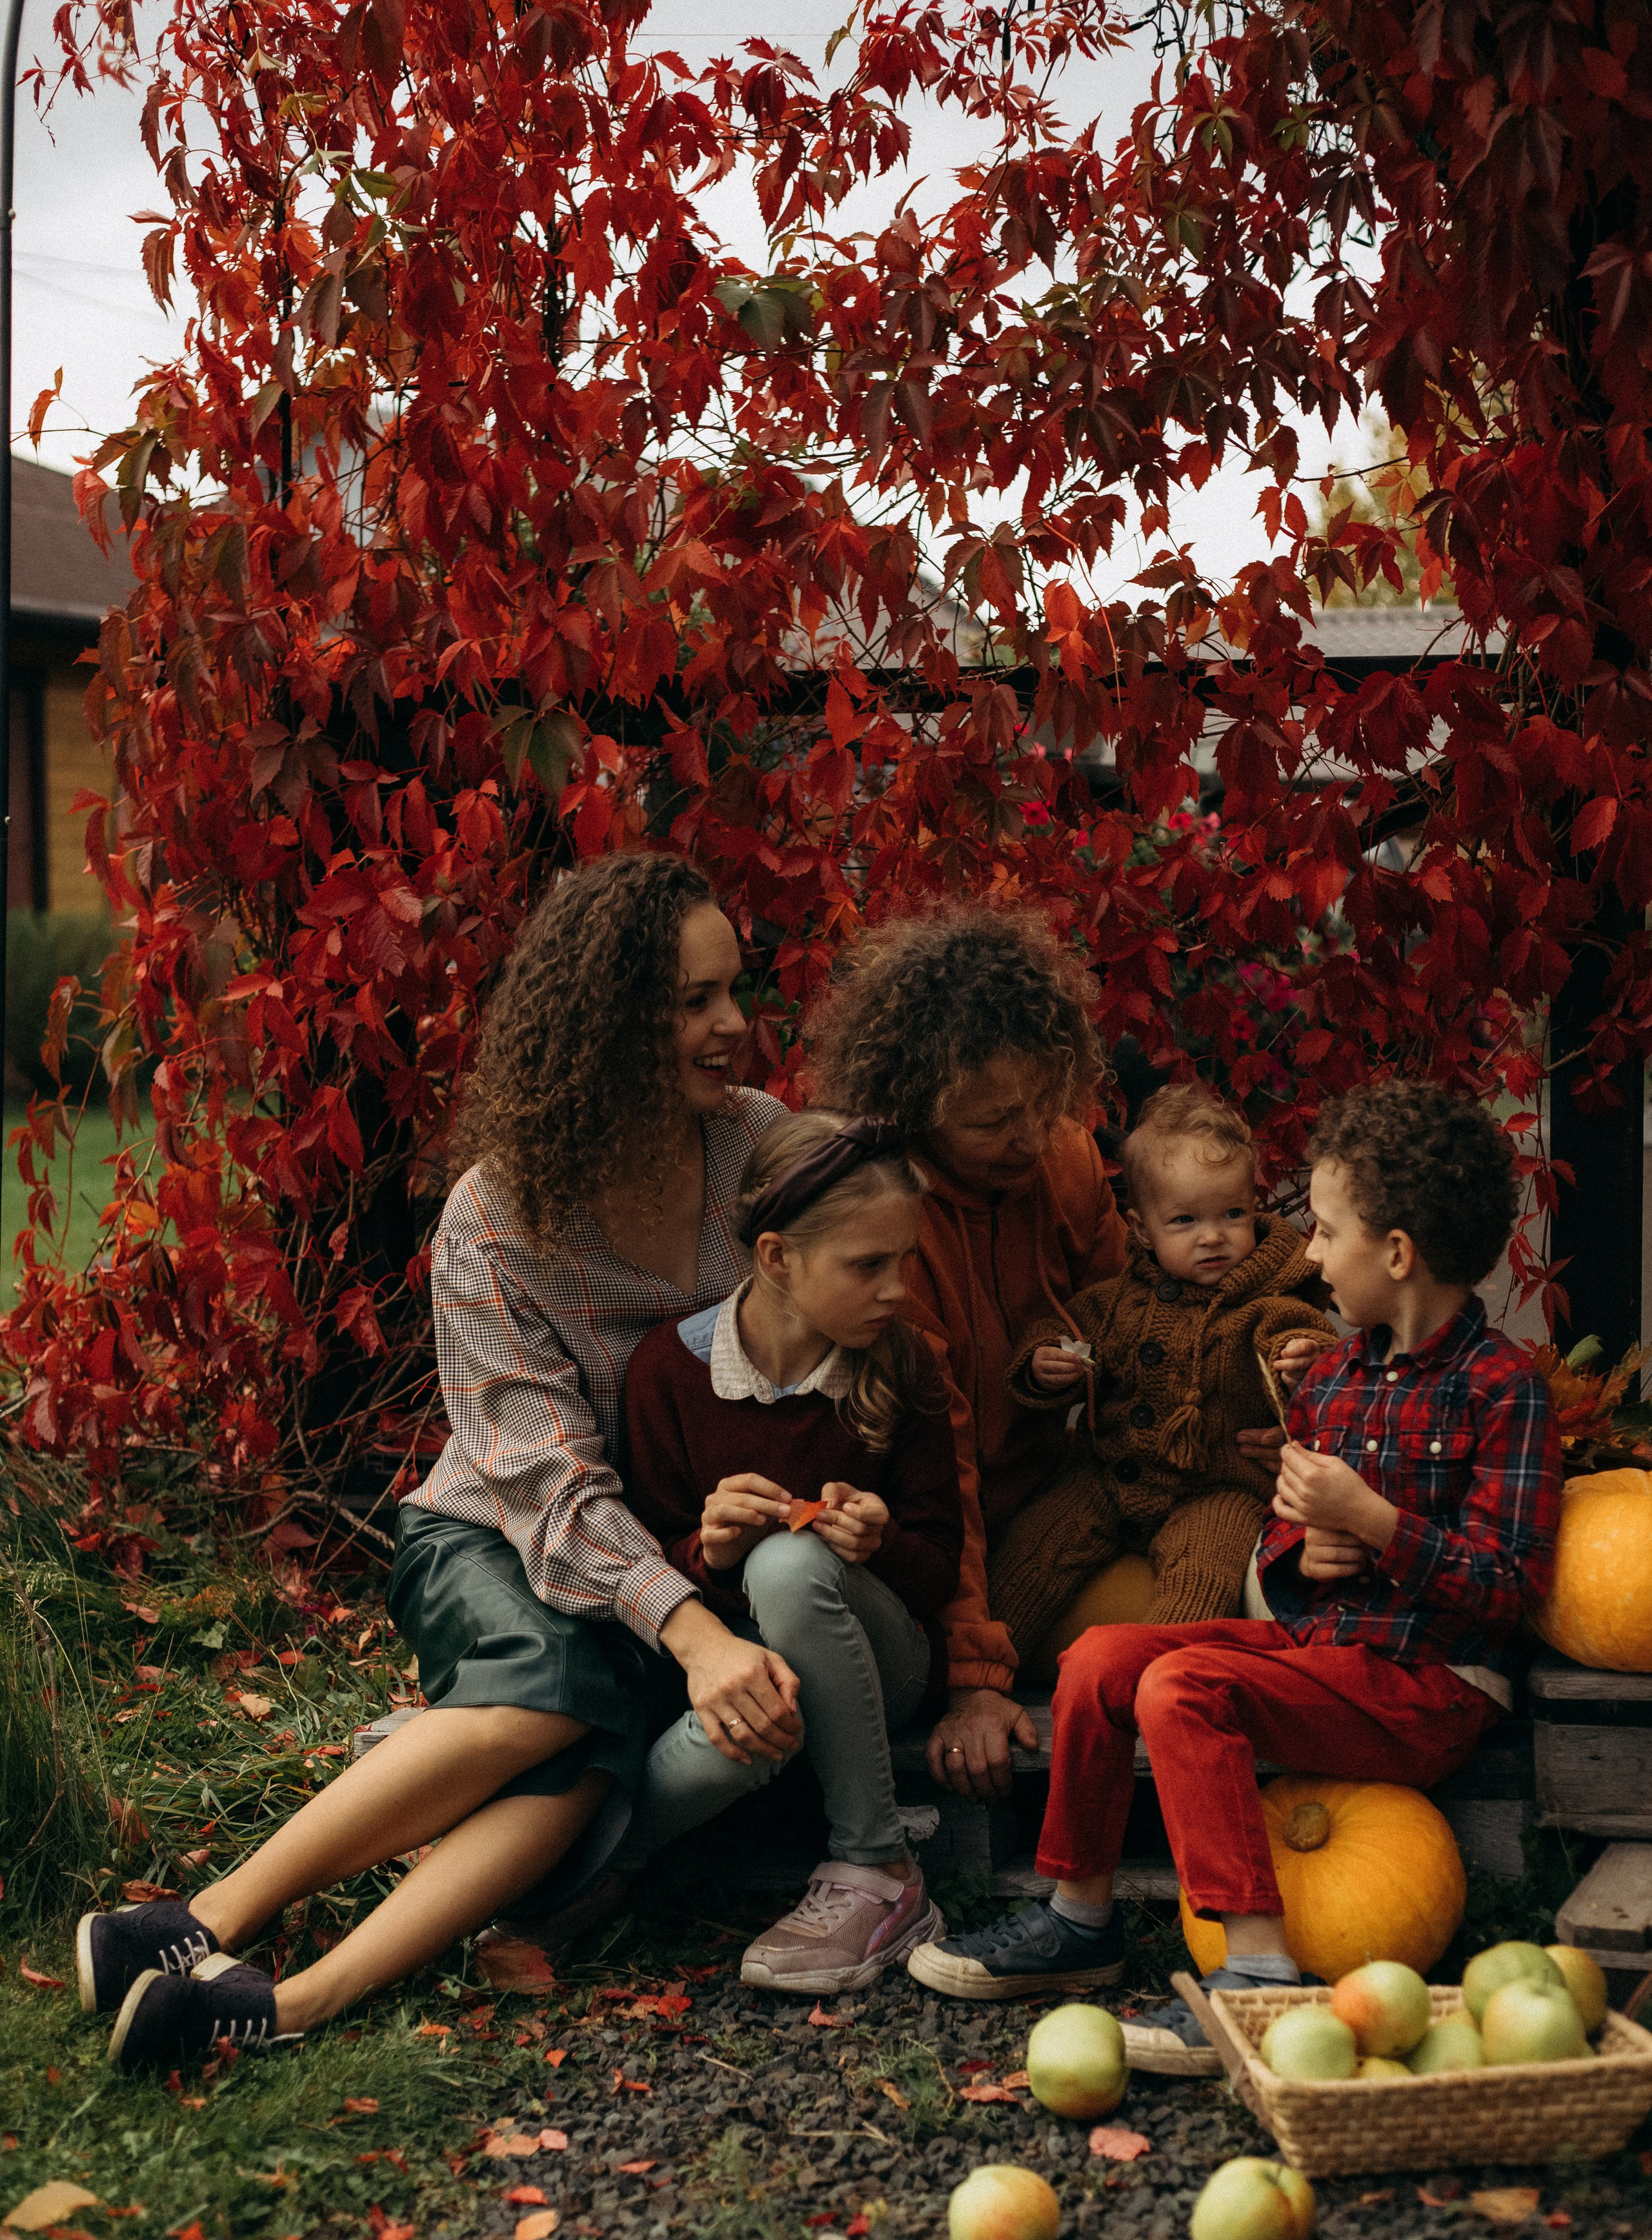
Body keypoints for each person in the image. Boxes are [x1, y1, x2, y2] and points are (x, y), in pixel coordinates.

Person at [84, 853, 794, 2070]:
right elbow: (543, 1483)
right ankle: (203, 1920)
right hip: (496, 1538)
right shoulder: (499, 1213)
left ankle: (270, 2004)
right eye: (692, 1002)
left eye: (735, 991)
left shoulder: (761, 1154)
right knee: (555, 1697)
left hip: (681, 1547)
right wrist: (698, 1634)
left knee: (587, 1763)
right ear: (607, 1023)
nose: (733, 1026)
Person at [909, 1081, 1562, 2050]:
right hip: (1321, 1658)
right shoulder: (1334, 1379)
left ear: (1396, 1254)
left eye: (1328, 1231)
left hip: (1430, 1688)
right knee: (1100, 1660)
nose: (1306, 1253)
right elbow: (1287, 1554)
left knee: (1180, 1689)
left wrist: (1379, 1528)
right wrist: (1316, 1549)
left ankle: (1254, 1972)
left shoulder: (1503, 1391)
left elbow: (1509, 1588)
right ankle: (1078, 1919)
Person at [806, 907, 1282, 1801]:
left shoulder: (1062, 1160)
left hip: (1074, 1494)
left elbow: (1147, 1321)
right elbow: (941, 1470)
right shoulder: (891, 1226)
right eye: (992, 1122)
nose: (1029, 1136)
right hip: (940, 1540)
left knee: (1196, 1604)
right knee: (1122, 1642)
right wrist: (979, 1684)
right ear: (917, 1109)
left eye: (1041, 1102)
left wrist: (1250, 1416)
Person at [620, 1110, 963, 1990]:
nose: (896, 1288)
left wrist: (879, 1545)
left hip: (883, 1660)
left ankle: (876, 1867)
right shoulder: (668, 1372)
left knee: (792, 1563)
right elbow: (643, 1558)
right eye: (867, 1266)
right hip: (748, 1676)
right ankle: (562, 1878)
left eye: (905, 1261)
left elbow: (936, 1578)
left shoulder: (907, 1367)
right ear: (777, 1259)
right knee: (737, 1730)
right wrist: (712, 1552)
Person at [984, 1085, 1337, 1652]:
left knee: (1201, 1582)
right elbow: (1064, 1331)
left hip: (1217, 1488)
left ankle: (1153, 1682)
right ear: (1143, 1230)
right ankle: (984, 1671)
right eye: (1184, 1221)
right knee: (1030, 1558)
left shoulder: (1267, 1299)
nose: (1214, 1235)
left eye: (1232, 1213)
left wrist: (1302, 1363)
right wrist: (1045, 1364)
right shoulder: (1117, 1300)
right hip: (1109, 1475)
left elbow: (1299, 1333)